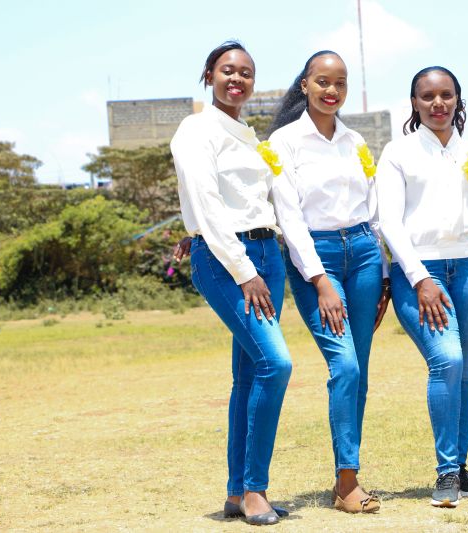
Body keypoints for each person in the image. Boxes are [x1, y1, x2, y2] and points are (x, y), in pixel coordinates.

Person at [376, 66, 468, 508]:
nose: (438, 103)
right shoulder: (397, 153)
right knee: (447, 360)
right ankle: (446, 470)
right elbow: (389, 222)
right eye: (428, 96)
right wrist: (420, 278)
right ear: (414, 103)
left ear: (458, 100)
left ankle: (462, 466)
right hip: (420, 271)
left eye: (446, 95)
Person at [170, 40, 292, 526]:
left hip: (267, 253)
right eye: (227, 70)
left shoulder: (246, 133)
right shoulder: (196, 128)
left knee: (249, 376)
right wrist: (245, 272)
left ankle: (237, 492)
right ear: (209, 76)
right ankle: (256, 489)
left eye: (246, 72)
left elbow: (245, 198)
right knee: (275, 364)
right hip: (232, 262)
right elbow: (206, 203)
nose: (237, 79)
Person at [265, 50, 389, 514]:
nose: (331, 90)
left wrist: (385, 274)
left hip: (364, 255)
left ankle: (347, 474)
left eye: (340, 83)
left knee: (360, 372)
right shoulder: (283, 143)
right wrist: (320, 281)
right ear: (305, 85)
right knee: (346, 366)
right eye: (322, 81)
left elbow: (374, 213)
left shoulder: (356, 141)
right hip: (316, 259)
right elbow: (289, 219)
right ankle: (347, 483)